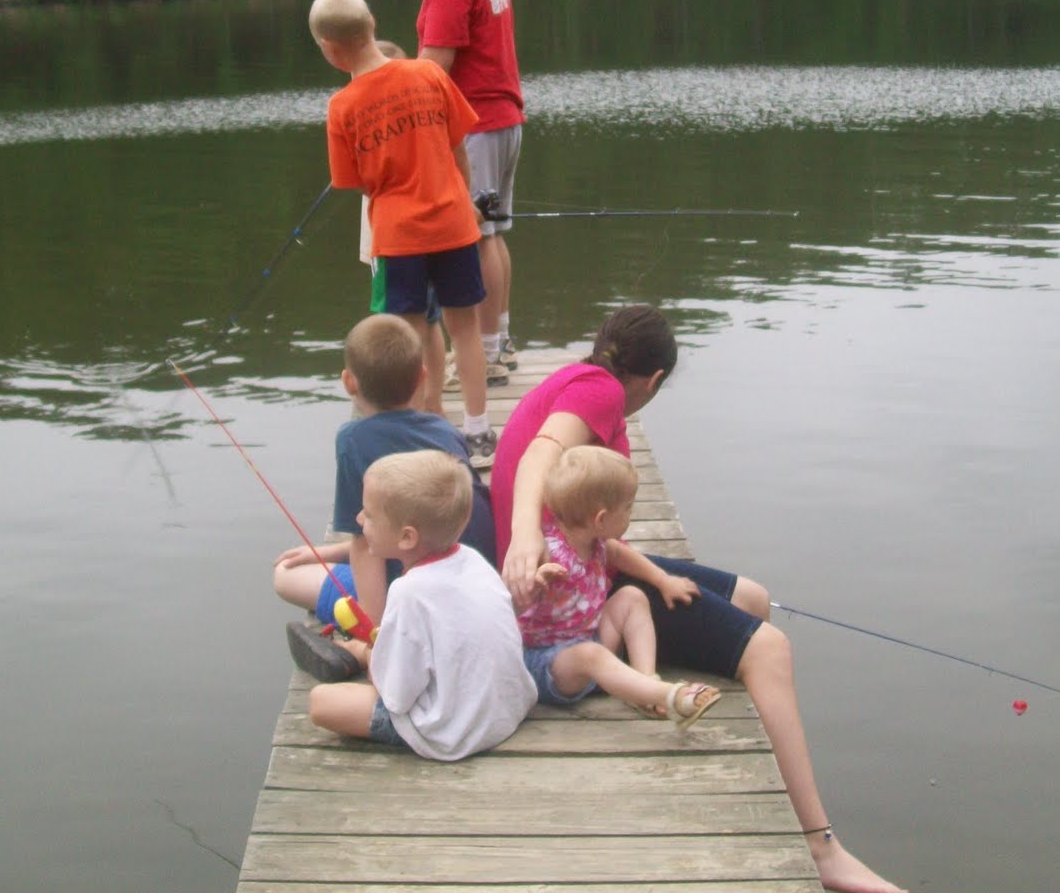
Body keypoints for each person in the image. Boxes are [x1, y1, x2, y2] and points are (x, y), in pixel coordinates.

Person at [491, 305, 908, 893]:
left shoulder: (577, 377)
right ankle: (823, 850)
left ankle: (729, 697)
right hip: (570, 579)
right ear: (654, 380)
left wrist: (654, 577)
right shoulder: (603, 394)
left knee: (754, 599)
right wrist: (528, 539)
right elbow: (538, 453)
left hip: (590, 554)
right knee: (770, 651)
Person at [311, 0, 498, 466]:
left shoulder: (343, 107)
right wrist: (462, 199)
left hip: (398, 238)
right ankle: (478, 432)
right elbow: (458, 147)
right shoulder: (429, 74)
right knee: (466, 331)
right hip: (455, 224)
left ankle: (422, 434)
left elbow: (354, 181)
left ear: (330, 51)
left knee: (409, 341)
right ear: (373, 22)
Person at [273, 313, 496, 680]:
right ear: (422, 377)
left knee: (285, 575)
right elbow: (421, 524)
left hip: (412, 586)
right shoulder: (445, 431)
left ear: (349, 382)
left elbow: (365, 545)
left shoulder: (352, 442)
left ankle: (364, 649)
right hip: (473, 571)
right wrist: (330, 551)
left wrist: (374, 632)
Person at [304, 449, 537, 761]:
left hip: (455, 733)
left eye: (369, 515)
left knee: (321, 702)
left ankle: (359, 654)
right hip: (510, 710)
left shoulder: (408, 592)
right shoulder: (473, 560)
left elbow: (397, 697)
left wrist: (371, 658)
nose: (359, 519)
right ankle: (362, 654)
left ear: (406, 538)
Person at [401, 0, 523, 381]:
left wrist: (396, 113)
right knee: (489, 233)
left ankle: (489, 353)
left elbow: (434, 67)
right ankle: (499, 341)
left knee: (476, 237)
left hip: (476, 128)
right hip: (501, 121)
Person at [518, 444, 723, 728]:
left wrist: (664, 580)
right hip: (549, 663)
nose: (631, 515)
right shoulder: (549, 553)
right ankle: (670, 696)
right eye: (627, 508)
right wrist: (533, 584)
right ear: (601, 519)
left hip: (588, 640)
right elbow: (509, 603)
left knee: (632, 597)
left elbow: (617, 553)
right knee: (591, 656)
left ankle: (645, 683)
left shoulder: (596, 542)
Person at [360, 39, 448, 413]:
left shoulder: (375, 115)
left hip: (395, 239)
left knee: (398, 322)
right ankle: (434, 404)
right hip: (433, 233)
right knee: (431, 321)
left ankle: (408, 408)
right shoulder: (422, 117)